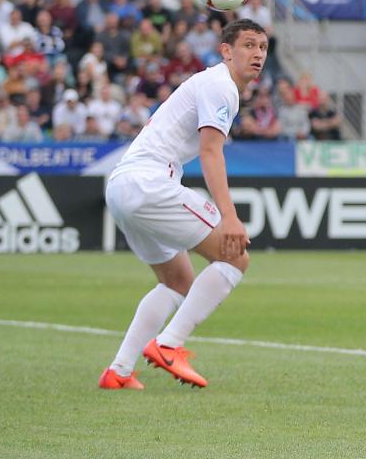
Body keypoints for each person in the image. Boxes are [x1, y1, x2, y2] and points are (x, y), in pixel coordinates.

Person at [99, 19, 268, 390]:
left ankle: (119, 371)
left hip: (124, 185)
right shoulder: (221, 85)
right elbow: (210, 152)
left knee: (177, 280)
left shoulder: (213, 83)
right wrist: (230, 217)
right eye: (249, 45)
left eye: (262, 48)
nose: (257, 54)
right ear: (226, 51)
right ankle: (169, 345)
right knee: (235, 256)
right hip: (149, 182)